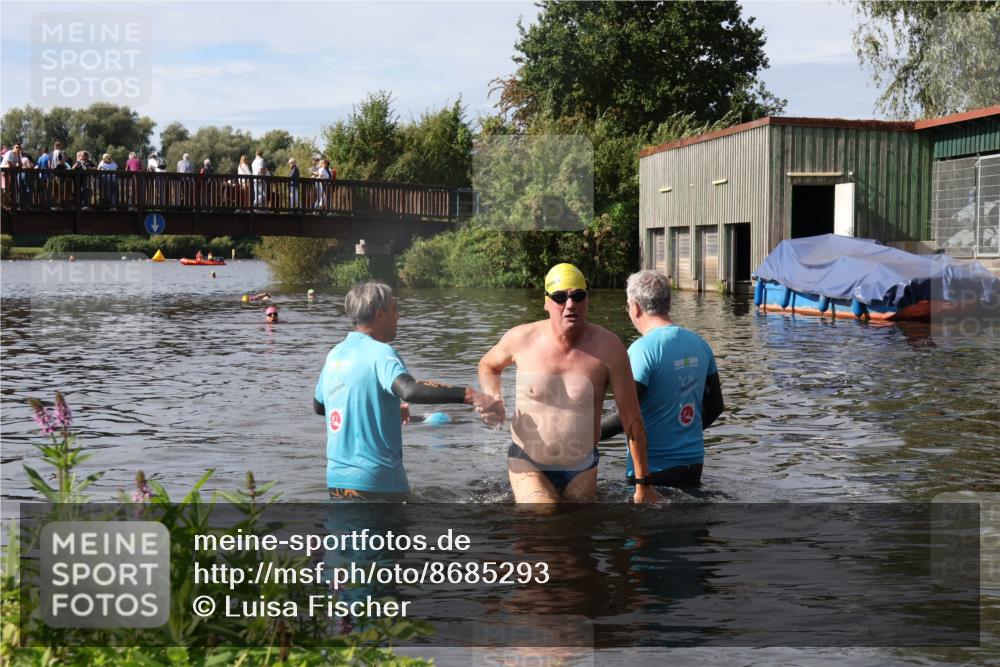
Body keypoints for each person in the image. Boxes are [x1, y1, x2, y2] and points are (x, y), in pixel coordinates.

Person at [478, 263, 662, 504]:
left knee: (577, 531)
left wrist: (643, 484)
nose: (570, 304)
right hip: (528, 460)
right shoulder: (521, 338)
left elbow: (631, 418)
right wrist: (494, 397)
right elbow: (488, 366)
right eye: (559, 297)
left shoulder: (610, 348)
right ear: (546, 301)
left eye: (578, 296)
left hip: (582, 465)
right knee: (542, 511)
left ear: (587, 300)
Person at [314, 281, 500, 500]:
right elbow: (409, 390)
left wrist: (383, 407)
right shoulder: (381, 352)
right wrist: (470, 395)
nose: (399, 316)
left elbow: (321, 406)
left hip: (336, 481)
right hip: (378, 482)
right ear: (380, 314)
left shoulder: (335, 354)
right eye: (395, 309)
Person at [600, 270, 724, 489]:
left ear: (635, 306)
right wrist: (680, 436)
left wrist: (585, 434)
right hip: (693, 465)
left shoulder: (642, 350)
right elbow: (715, 406)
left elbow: (625, 415)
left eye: (627, 306)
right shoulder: (700, 344)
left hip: (653, 471)